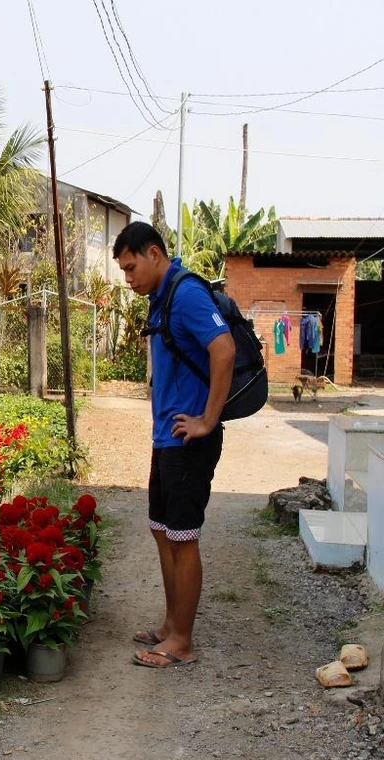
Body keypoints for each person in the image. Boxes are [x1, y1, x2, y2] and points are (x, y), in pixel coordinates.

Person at [112, 222, 235, 669]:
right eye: (124, 272)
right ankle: (171, 625)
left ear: (153, 253)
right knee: (162, 530)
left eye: (131, 267)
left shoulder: (185, 294)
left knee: (183, 538)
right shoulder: (161, 298)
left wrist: (207, 420)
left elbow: (223, 349)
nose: (128, 279)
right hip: (167, 437)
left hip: (189, 441)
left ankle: (182, 641)